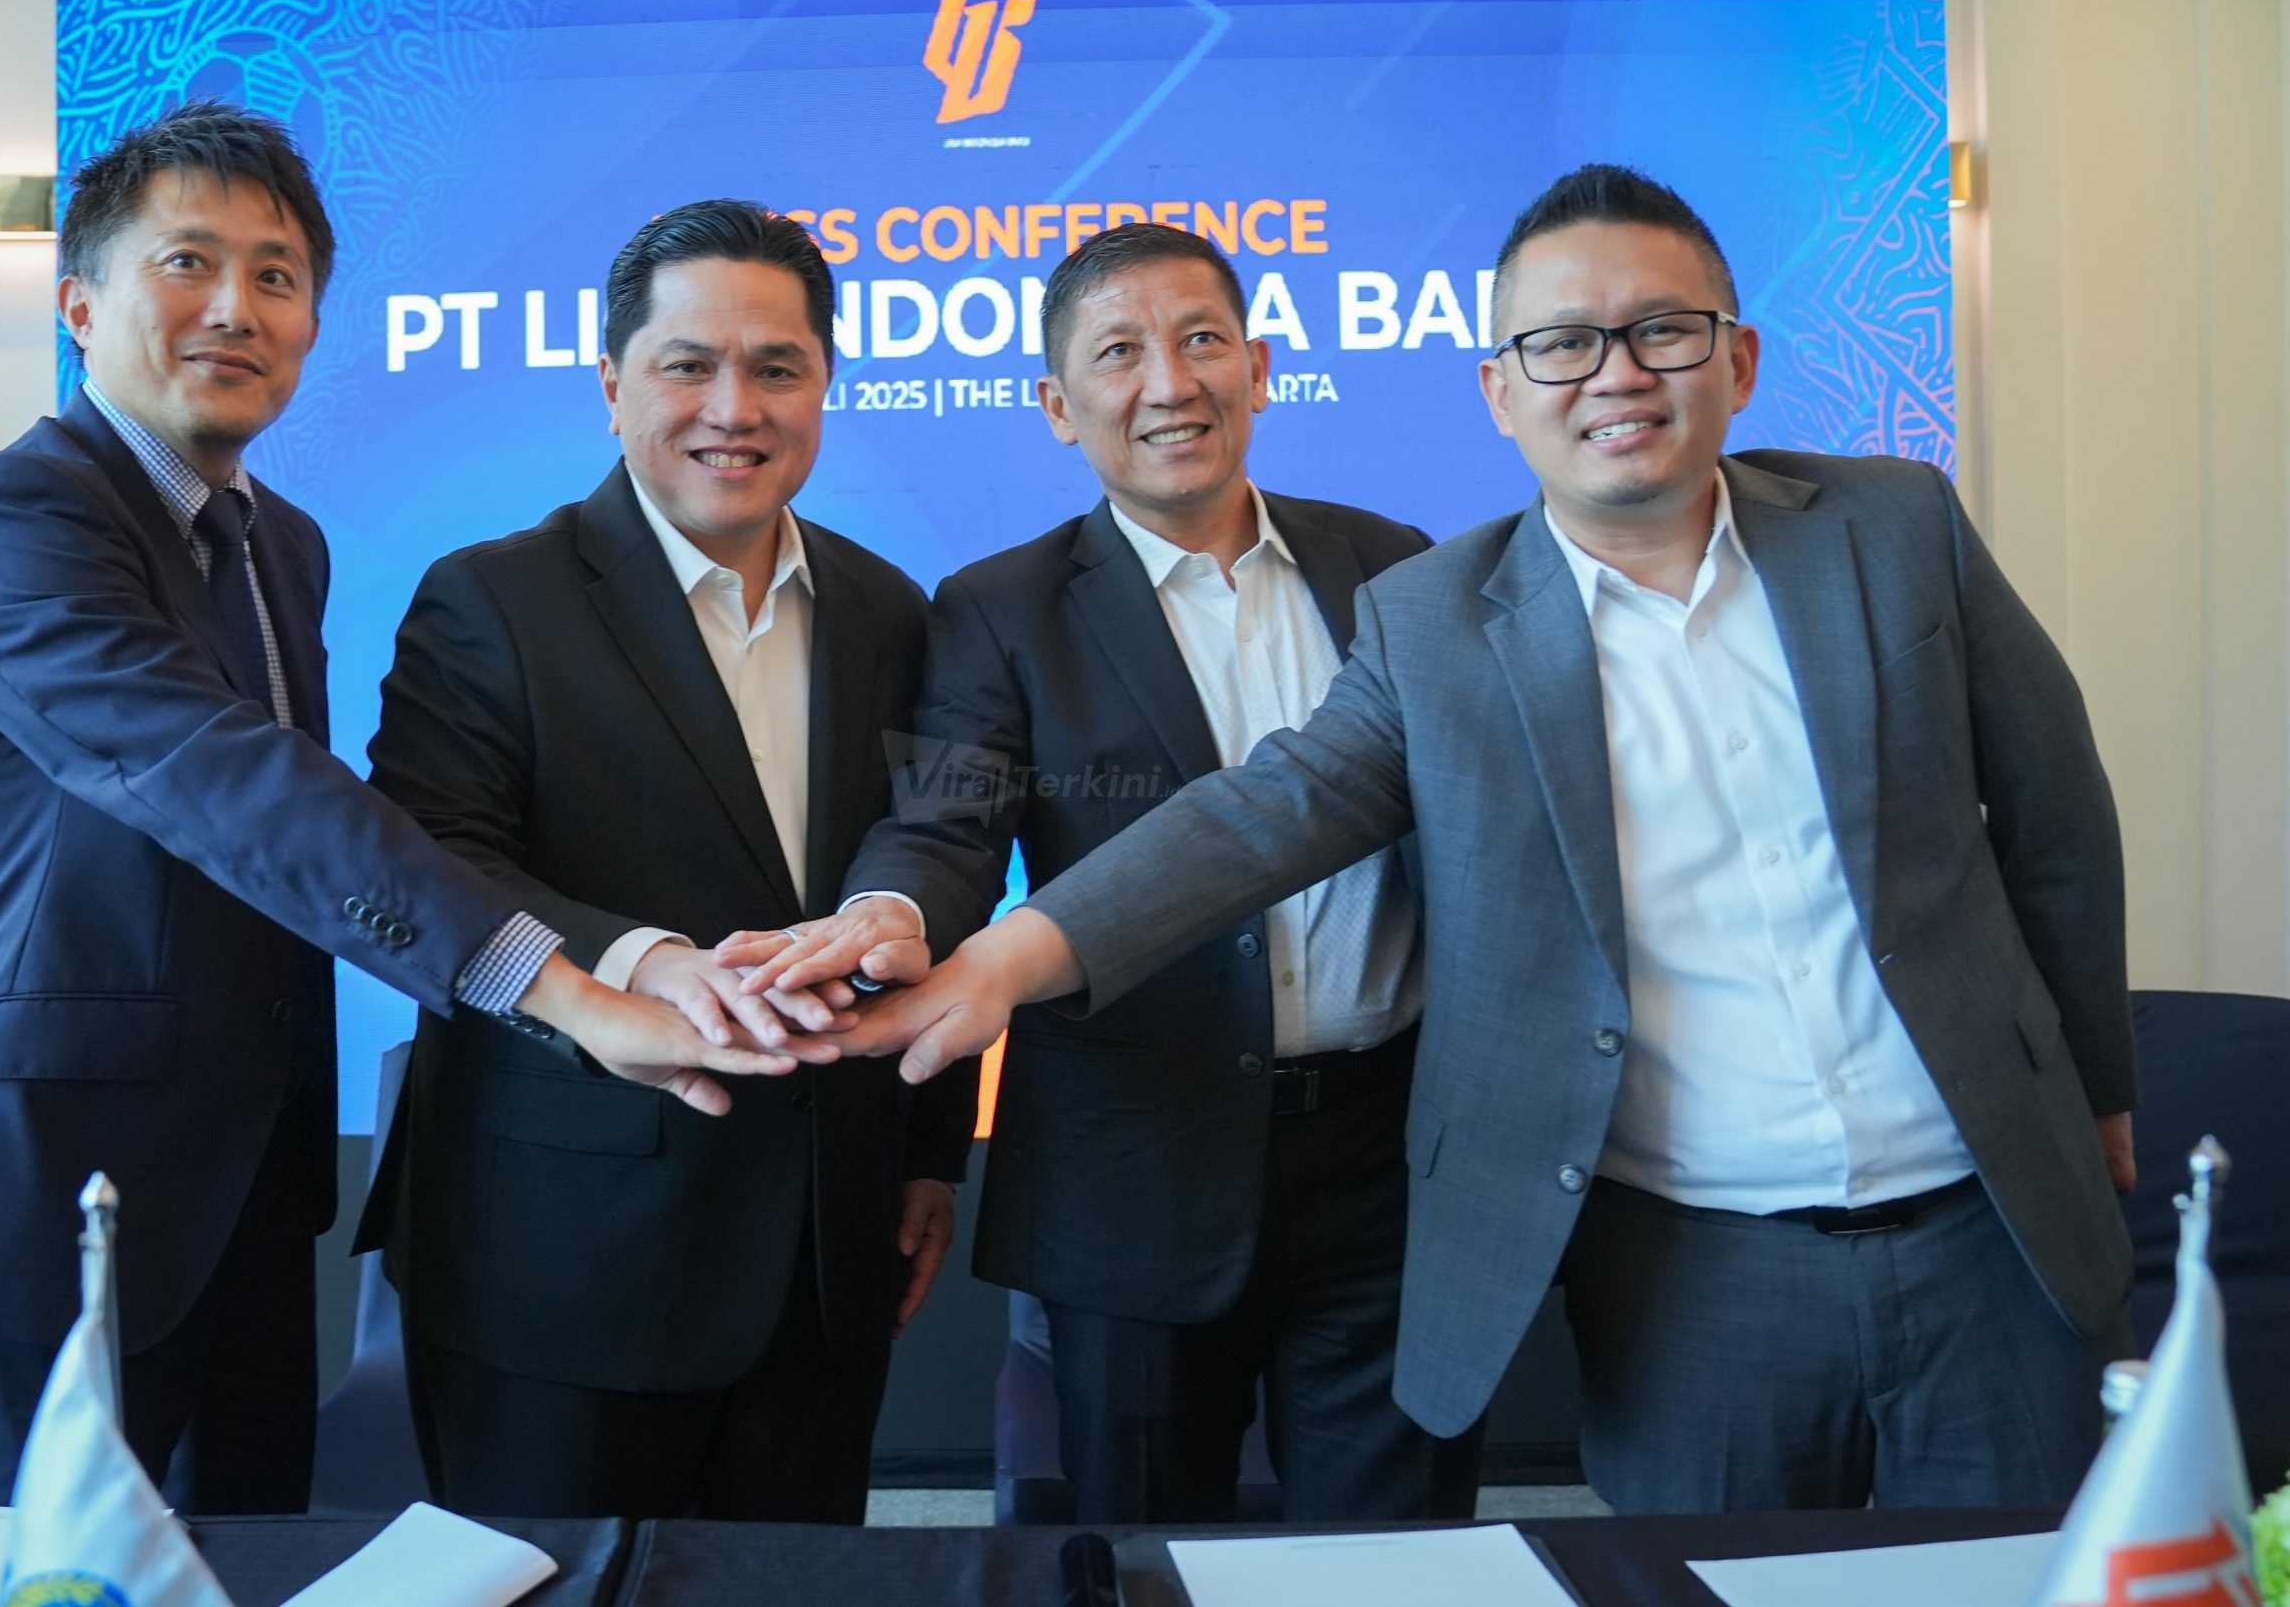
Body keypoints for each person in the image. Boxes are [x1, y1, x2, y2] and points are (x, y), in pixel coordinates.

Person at [827, 164, 2139, 1513]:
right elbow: (1261, 812)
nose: (1617, 373)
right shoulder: (1438, 618)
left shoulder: (1893, 529)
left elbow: (2055, 818)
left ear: (1738, 362)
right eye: (1564, 343)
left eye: (1662, 331)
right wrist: (997, 958)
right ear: (1501, 392)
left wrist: (2100, 1089)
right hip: (1660, 1257)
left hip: (1977, 1220)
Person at [0, 106, 815, 1511]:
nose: (235, 309)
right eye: (186, 263)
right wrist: (565, 991)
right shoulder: (21, 520)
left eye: (277, 276)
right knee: (66, 1578)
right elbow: (217, 781)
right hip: (66, 1187)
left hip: (253, 1184)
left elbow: (260, 846)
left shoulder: (279, 543)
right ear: (78, 305)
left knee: (261, 1562)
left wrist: (18, 974)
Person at [724, 222, 1483, 1522]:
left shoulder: (1394, 563)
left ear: (1260, 367)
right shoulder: (999, 606)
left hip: (1389, 1159)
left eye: (1201, 341)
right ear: (1057, 407)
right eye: (1119, 353)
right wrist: (885, 912)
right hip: (1136, 1160)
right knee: (1140, 1552)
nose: (1169, 383)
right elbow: (947, 821)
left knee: (1397, 1553)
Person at [354, 200, 979, 1523]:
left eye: (777, 368)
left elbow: (937, 863)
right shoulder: (491, 600)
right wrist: (644, 965)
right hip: (560, 1258)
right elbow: (431, 859)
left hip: (826, 1255)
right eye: (687, 365)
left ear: (826, 384)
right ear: (611, 384)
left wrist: (929, 1153)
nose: (733, 409)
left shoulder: (891, 610)